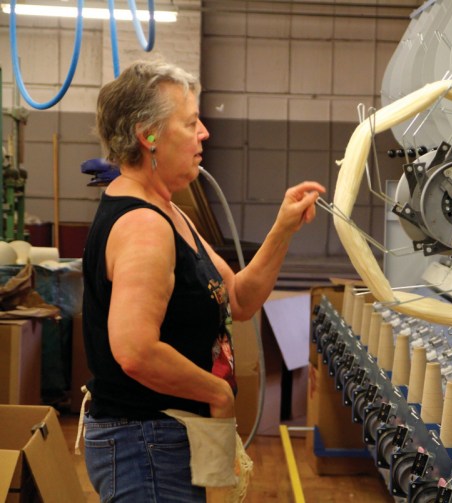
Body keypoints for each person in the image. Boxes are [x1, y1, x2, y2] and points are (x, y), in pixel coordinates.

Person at [81, 60, 325, 502]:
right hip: (147, 444)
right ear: (148, 135)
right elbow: (134, 350)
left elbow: (238, 298)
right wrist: (217, 393)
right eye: (191, 122)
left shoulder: (168, 212)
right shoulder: (143, 225)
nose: (204, 133)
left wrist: (283, 229)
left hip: (169, 438)